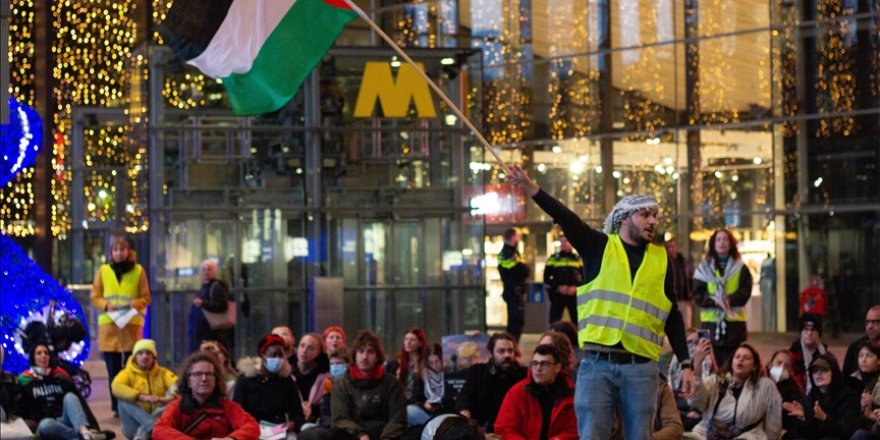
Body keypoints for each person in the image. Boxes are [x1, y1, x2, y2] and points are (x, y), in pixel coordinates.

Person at [506, 164, 695, 439]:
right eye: (644, 214)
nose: (652, 221)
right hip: (597, 365)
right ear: (624, 218)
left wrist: (686, 363)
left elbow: (673, 316)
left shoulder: (661, 259)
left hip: (642, 367)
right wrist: (531, 187)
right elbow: (565, 216)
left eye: (654, 215)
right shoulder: (599, 246)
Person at [90, 236, 151, 415]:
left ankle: (131, 404)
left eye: (122, 249)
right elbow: (95, 296)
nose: (118, 253)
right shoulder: (103, 271)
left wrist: (133, 304)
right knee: (113, 371)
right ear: (111, 253)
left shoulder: (138, 271)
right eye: (115, 250)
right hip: (110, 328)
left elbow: (146, 297)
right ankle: (117, 407)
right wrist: (107, 305)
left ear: (128, 251)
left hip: (131, 326)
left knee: (133, 369)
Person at [684, 343, 782, 439]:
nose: (741, 359)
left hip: (748, 435)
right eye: (737, 356)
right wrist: (697, 364)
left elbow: (774, 422)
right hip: (708, 433)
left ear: (755, 366)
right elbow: (695, 401)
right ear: (731, 362)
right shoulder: (715, 380)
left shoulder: (766, 386)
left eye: (746, 358)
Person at [154, 351, 259, 439]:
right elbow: (159, 430)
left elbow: (252, 426)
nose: (204, 379)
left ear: (216, 380)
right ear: (188, 381)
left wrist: (231, 439)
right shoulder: (177, 407)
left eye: (209, 374)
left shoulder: (228, 407)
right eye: (198, 374)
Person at [16, 344, 110, 440]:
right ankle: (84, 437)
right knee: (46, 424)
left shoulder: (59, 376)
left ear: (50, 357)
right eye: (39, 353)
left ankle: (84, 431)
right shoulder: (25, 381)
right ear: (33, 358)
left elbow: (76, 403)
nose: (43, 356)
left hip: (63, 421)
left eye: (46, 353)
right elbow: (20, 408)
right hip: (44, 425)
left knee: (70, 396)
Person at [331, 330, 407, 440]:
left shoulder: (392, 383)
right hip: (352, 434)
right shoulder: (341, 384)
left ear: (377, 357)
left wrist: (386, 438)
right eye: (361, 351)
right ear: (355, 355)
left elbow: (398, 419)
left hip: (384, 433)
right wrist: (360, 435)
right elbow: (340, 418)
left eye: (370, 352)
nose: (365, 357)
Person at [693, 229, 753, 367]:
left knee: (734, 364)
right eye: (718, 239)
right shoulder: (703, 268)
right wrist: (714, 301)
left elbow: (745, 291)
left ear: (731, 244)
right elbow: (697, 294)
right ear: (713, 244)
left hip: (734, 326)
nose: (722, 243)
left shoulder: (741, 268)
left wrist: (729, 300)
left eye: (725, 239)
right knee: (710, 365)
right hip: (709, 325)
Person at [494, 344, 578, 439]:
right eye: (535, 363)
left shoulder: (571, 394)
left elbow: (575, 430)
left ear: (557, 367)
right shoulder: (517, 392)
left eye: (545, 364)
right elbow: (505, 428)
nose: (538, 369)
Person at [234, 333, 305, 438]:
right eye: (273, 355)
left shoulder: (286, 380)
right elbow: (237, 412)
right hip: (253, 431)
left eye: (281, 355)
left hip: (280, 431)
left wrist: (293, 423)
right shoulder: (246, 380)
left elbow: (297, 413)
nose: (278, 359)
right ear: (262, 354)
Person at [456, 332, 528, 433]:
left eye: (510, 351)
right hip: (482, 430)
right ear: (491, 353)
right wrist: (466, 420)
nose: (507, 355)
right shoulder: (478, 372)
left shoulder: (523, 375)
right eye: (501, 351)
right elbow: (465, 398)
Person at [111, 339, 177, 440]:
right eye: (140, 353)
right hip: (133, 427)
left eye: (148, 353)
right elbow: (116, 387)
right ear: (135, 357)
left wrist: (166, 399)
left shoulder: (163, 373)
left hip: (158, 419)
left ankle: (147, 430)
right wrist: (143, 397)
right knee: (123, 398)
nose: (145, 356)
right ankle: (151, 426)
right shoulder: (127, 373)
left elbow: (179, 386)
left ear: (153, 357)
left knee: (176, 396)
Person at [782, 355, 860, 440]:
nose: (818, 373)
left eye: (824, 370)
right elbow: (811, 434)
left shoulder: (849, 398)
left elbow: (847, 432)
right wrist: (803, 418)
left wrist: (824, 418)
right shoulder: (809, 399)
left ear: (834, 372)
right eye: (815, 371)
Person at [668, 329, 717, 431]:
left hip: (696, 410)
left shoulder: (707, 364)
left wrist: (704, 358)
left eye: (697, 343)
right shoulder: (675, 365)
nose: (694, 347)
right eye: (689, 342)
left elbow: (702, 400)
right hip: (676, 409)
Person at [386, 327, 430, 426]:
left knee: (409, 412)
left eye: (412, 340)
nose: (408, 342)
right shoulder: (395, 363)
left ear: (420, 343)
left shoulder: (426, 364)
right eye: (406, 339)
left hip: (418, 406)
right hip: (398, 405)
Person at [188, 259, 232, 352]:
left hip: (210, 333)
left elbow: (222, 305)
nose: (205, 272)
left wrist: (203, 303)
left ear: (214, 271)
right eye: (203, 269)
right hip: (200, 331)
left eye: (208, 269)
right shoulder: (204, 287)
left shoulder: (216, 287)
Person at [789, 313, 838, 393]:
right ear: (800, 333)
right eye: (806, 329)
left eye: (813, 330)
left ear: (819, 334)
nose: (809, 333)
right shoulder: (791, 356)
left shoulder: (829, 357)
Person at [498, 228, 530, 342]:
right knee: (516, 322)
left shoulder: (512, 252)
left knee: (516, 321)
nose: (519, 238)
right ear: (513, 237)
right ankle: (512, 345)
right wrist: (524, 268)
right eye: (518, 236)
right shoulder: (507, 254)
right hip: (513, 291)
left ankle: (512, 345)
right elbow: (522, 271)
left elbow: (521, 269)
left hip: (515, 291)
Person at [293, 332, 332, 425]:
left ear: (318, 352)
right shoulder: (287, 373)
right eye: (302, 346)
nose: (304, 350)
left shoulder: (325, 376)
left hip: (317, 420)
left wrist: (312, 408)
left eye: (310, 348)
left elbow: (329, 405)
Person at [544, 235, 583, 325]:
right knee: (555, 321)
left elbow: (584, 277)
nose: (563, 244)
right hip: (558, 294)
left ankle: (575, 338)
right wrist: (558, 287)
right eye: (562, 242)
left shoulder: (578, 259)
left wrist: (575, 288)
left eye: (566, 241)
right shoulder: (553, 258)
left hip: (573, 295)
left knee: (577, 321)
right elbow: (546, 278)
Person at [765, 349, 803, 435]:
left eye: (786, 366)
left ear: (790, 370)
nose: (782, 368)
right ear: (770, 365)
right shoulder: (759, 383)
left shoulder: (794, 391)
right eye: (779, 363)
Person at [848, 342, 880, 439]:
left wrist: (870, 413)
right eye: (861, 356)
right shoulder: (850, 380)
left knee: (860, 434)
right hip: (853, 427)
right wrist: (859, 407)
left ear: (879, 360)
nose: (864, 360)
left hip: (874, 431)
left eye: (869, 356)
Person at [843, 306, 880, 377]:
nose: (870, 326)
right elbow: (846, 379)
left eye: (875, 322)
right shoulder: (855, 347)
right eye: (867, 322)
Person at [665, 238, 693, 327]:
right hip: (669, 301)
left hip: (683, 299)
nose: (670, 249)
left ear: (676, 247)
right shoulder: (665, 262)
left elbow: (690, 277)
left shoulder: (683, 261)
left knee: (686, 326)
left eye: (672, 246)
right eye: (668, 247)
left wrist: (691, 292)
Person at [423, 343, 447, 415]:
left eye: (437, 361)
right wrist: (425, 404)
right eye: (430, 363)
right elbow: (418, 398)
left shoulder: (449, 372)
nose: (434, 366)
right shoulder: (424, 374)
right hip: (429, 412)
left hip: (447, 409)